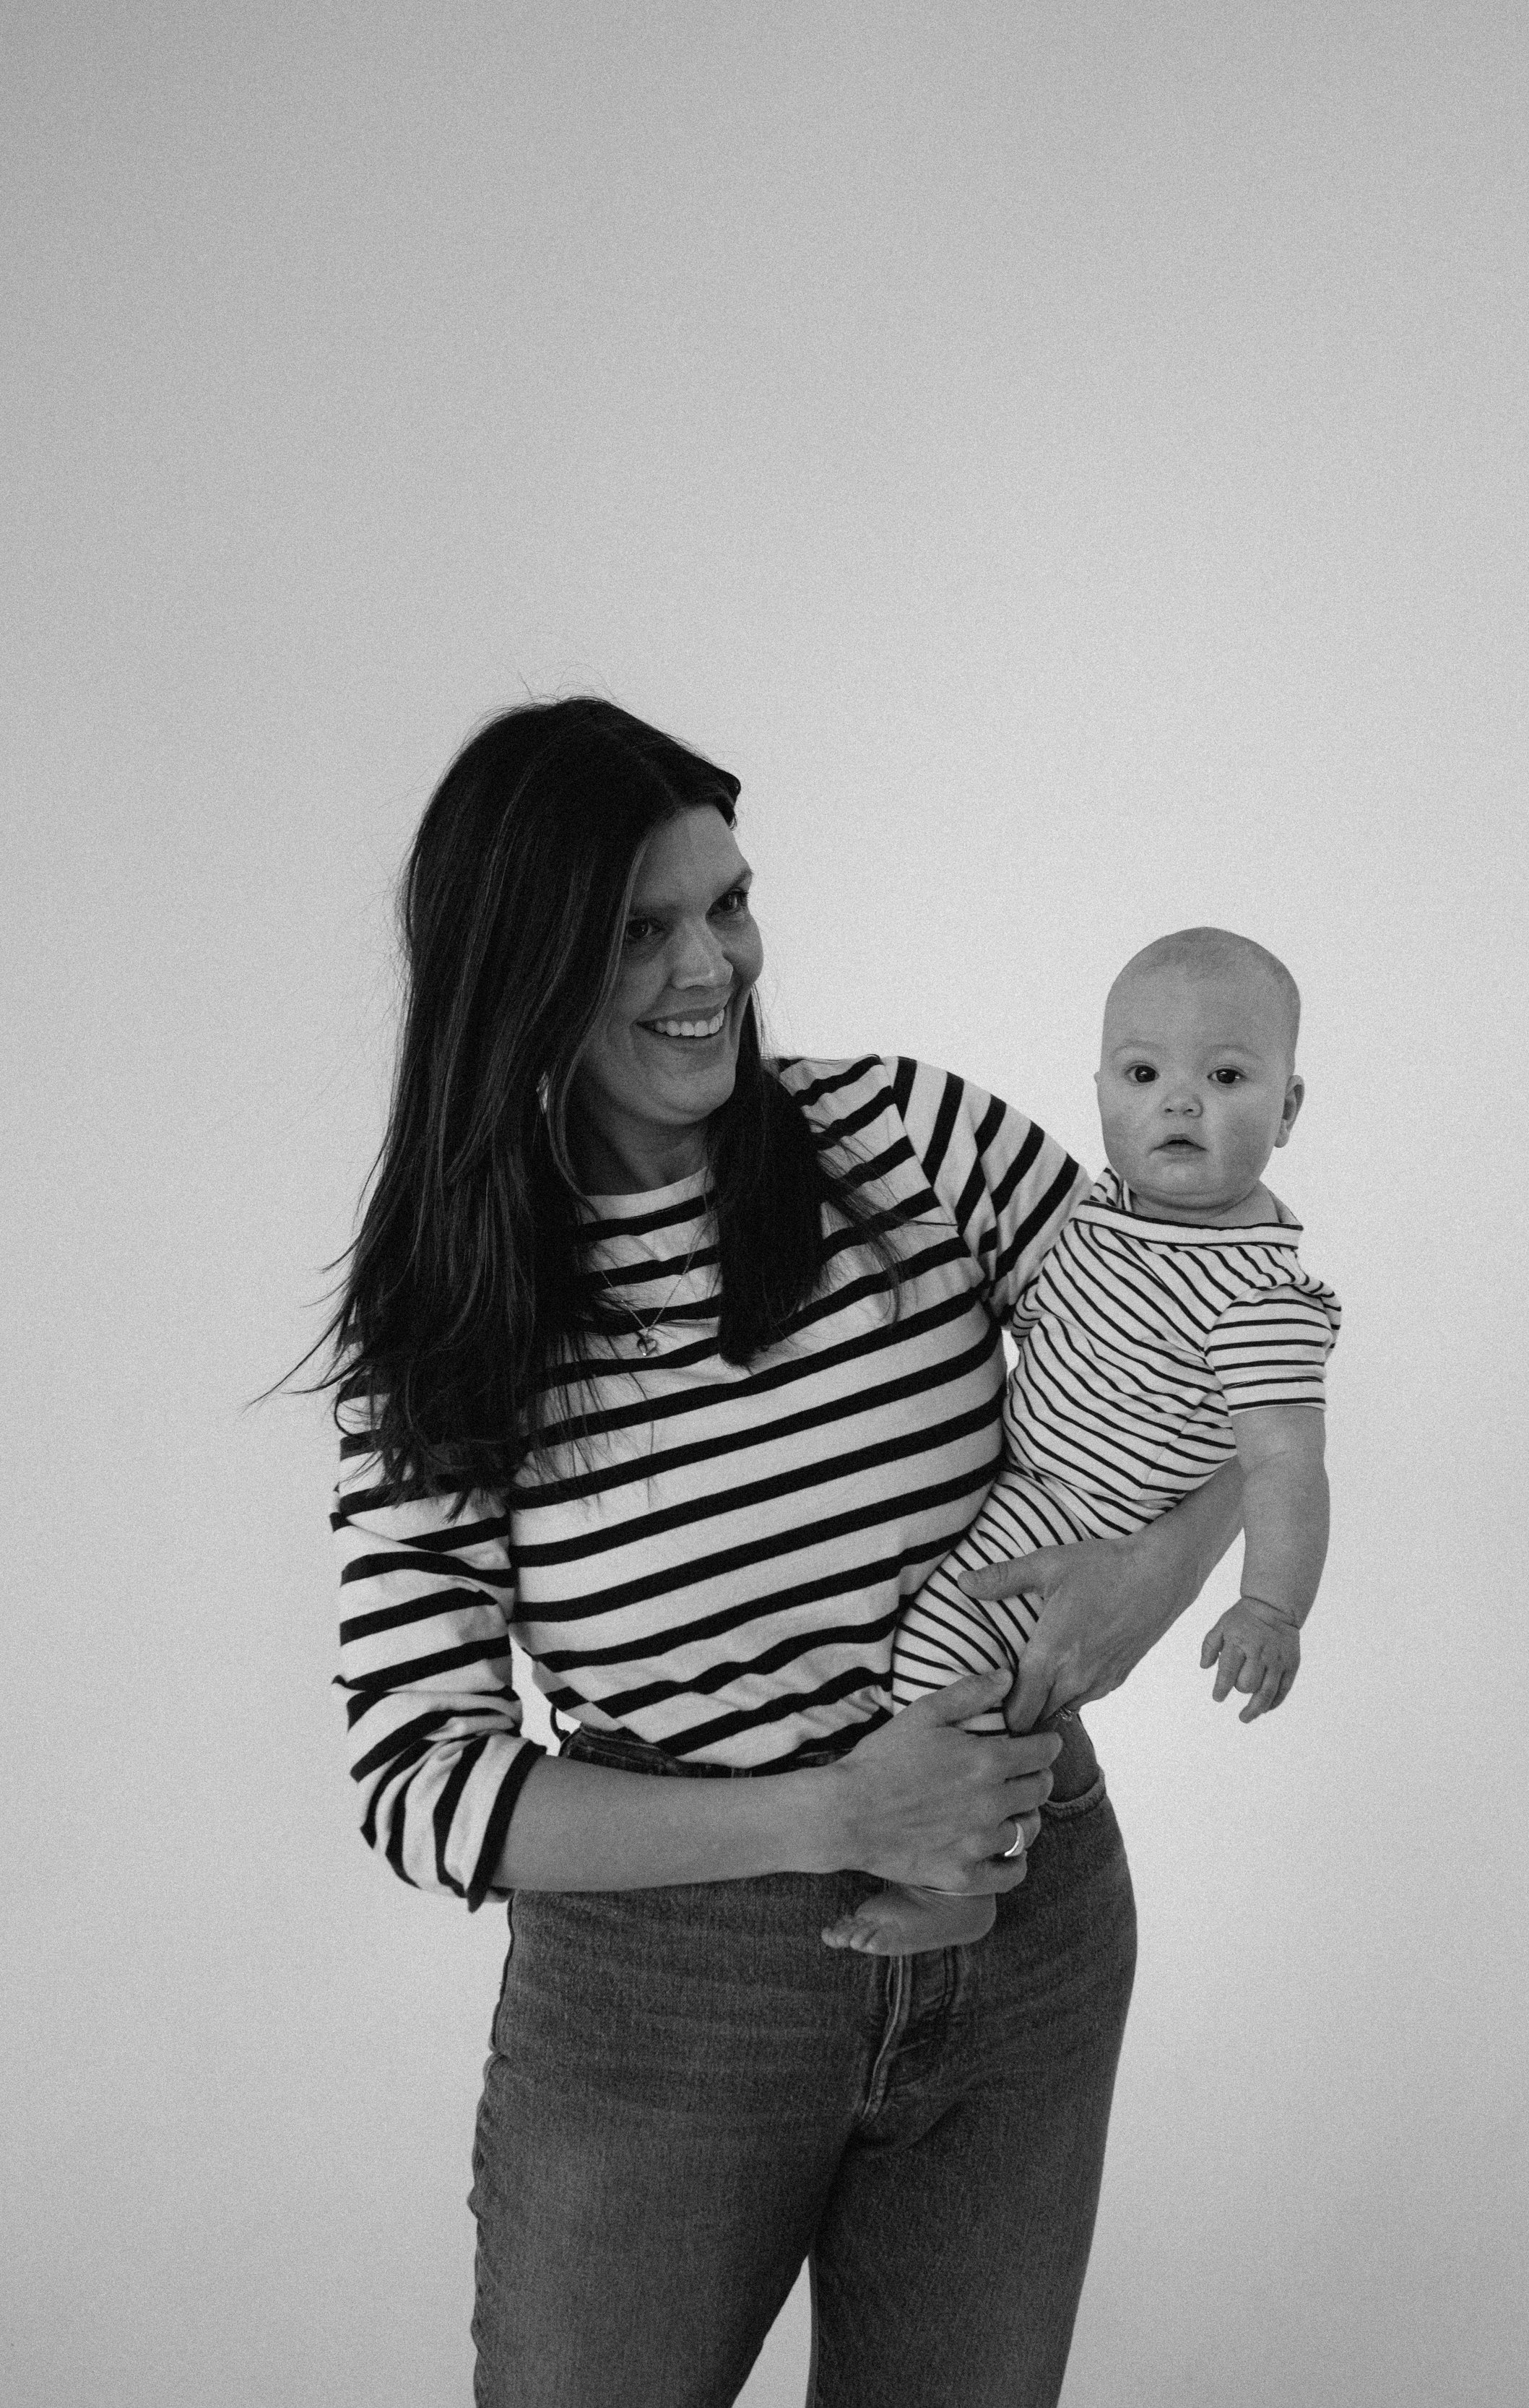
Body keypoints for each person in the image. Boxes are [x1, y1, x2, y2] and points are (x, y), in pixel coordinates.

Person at [328, 696, 1248, 2408]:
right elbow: (421, 1783)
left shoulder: (911, 1142)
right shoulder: (451, 1323)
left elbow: (1221, 1367)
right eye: (642, 930)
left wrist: (1160, 1569)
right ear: (516, 966)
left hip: (1020, 1924)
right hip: (669, 1998)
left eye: (729, 905)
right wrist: (834, 1815)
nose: (713, 967)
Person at [824, 926, 1339, 1959]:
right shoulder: (1098, 1218)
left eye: (1226, 1075)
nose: (1179, 1102)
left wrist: (1271, 1605)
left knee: (944, 1667)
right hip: (1020, 1488)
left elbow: (1283, 1460)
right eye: (1143, 1073)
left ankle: (961, 1881)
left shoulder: (1260, 1293)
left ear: (1287, 1109)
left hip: (1080, 1527)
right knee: (935, 1667)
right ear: (1098, 1088)